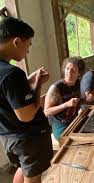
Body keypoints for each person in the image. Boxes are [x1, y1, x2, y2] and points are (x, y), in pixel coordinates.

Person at [0, 17, 53, 183]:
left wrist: (27, 81)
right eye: (28, 44)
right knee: (33, 177)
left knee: (23, 168)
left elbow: (6, 94)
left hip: (8, 135)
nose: (28, 51)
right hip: (27, 138)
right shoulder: (12, 73)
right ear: (17, 41)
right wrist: (37, 84)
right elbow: (27, 115)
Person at [44, 57, 85, 140]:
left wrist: (87, 100)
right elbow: (46, 112)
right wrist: (66, 104)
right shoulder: (56, 88)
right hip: (61, 125)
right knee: (76, 143)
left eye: (73, 70)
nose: (69, 72)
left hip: (74, 120)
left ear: (79, 73)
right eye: (67, 68)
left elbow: (77, 101)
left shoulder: (77, 83)